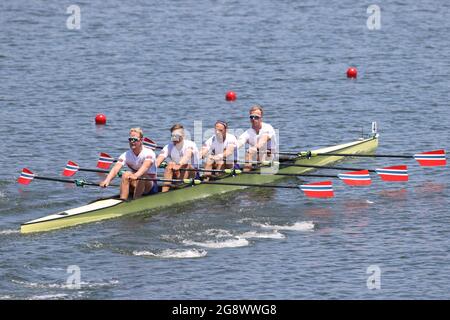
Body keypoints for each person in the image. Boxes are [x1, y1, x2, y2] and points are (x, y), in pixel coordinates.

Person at [100, 128, 157, 200]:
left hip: (150, 186)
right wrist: (107, 180)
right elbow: (115, 169)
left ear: (141, 140)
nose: (132, 142)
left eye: (135, 139)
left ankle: (136, 201)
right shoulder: (126, 155)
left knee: (142, 176)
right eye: (130, 139)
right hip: (135, 183)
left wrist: (136, 175)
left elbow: (146, 166)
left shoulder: (149, 153)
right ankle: (123, 200)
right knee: (126, 174)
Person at [156, 124, 200, 192]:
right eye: (172, 136)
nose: (174, 138)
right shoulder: (168, 146)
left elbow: (187, 155)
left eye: (177, 136)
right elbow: (159, 158)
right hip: (177, 172)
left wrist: (179, 164)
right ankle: (164, 193)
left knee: (186, 165)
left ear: (183, 136)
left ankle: (179, 189)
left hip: (192, 174)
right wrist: (154, 165)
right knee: (169, 165)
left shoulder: (190, 144)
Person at [237, 105, 278, 171]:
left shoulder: (268, 128)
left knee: (250, 152)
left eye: (256, 117)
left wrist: (253, 149)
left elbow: (263, 140)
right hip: (257, 159)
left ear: (261, 117)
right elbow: (239, 143)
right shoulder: (247, 132)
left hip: (270, 158)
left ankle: (246, 175)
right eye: (251, 117)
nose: (253, 119)